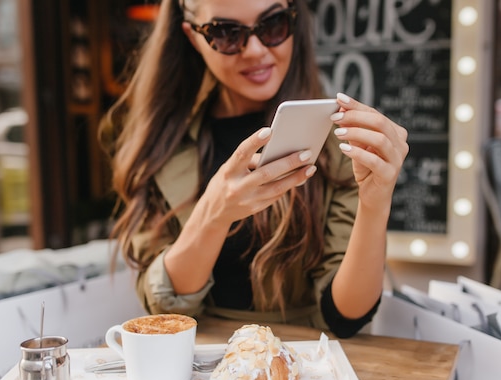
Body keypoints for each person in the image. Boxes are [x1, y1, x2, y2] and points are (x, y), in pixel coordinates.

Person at [99, 0, 409, 338]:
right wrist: (214, 215)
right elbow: (166, 312)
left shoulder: (339, 141)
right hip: (202, 362)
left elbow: (346, 315)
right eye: (227, 34)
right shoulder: (159, 142)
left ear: (294, 20)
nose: (256, 50)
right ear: (193, 36)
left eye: (273, 25)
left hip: (307, 362)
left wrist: (375, 203)